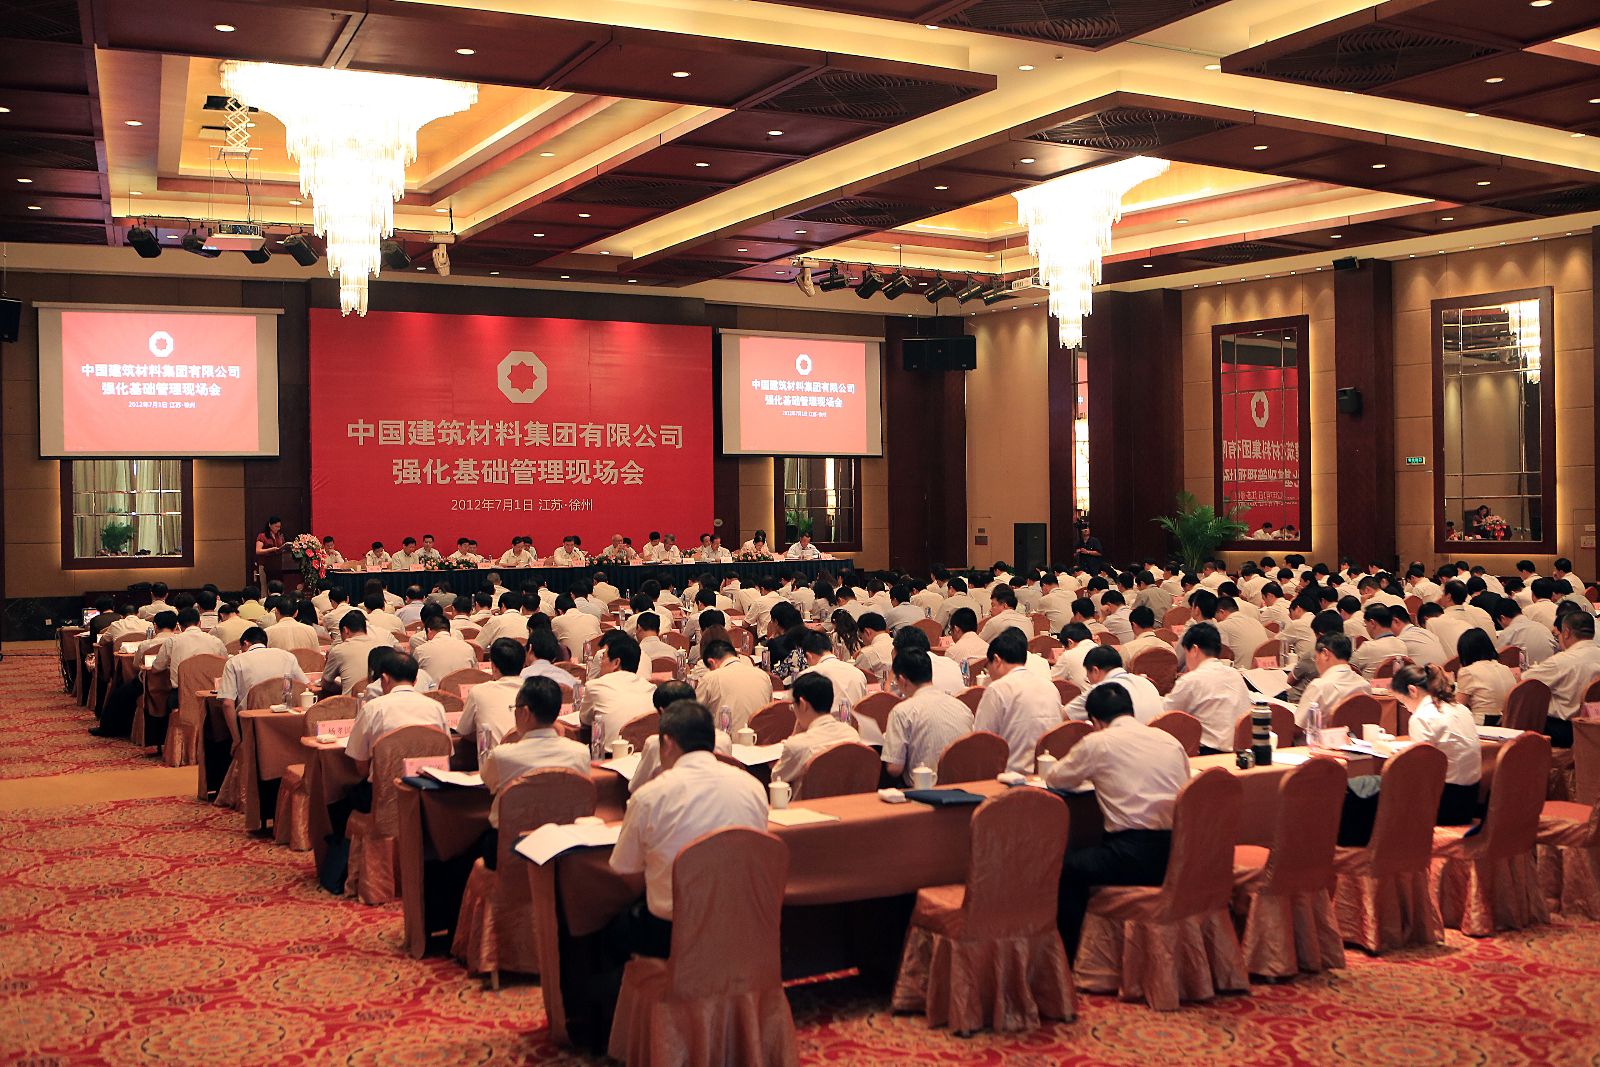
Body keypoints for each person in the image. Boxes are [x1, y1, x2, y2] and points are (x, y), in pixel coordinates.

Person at [602, 700, 767, 1035]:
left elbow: (626, 872)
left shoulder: (650, 796)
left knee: (606, 924)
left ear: (667, 742)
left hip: (672, 931)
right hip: (742, 922)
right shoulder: (752, 786)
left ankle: (621, 1029)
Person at [1048, 683, 1190, 956]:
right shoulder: (1169, 740)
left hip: (1132, 855)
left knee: (1066, 869)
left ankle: (1071, 957)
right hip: (1177, 853)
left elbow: (1056, 778)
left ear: (1095, 721)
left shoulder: (1099, 742)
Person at [479, 676, 592, 834]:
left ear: (525, 713)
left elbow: (487, 783)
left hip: (513, 843)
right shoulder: (581, 753)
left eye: (515, 708)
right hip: (563, 842)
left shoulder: (502, 756)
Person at [1390, 663, 1481, 824]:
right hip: (1471, 798)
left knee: (1384, 790)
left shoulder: (1422, 717)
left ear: (1412, 690)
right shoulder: (1460, 709)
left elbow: (1421, 772)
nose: (1407, 709)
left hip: (1444, 805)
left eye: (1403, 702)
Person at [974, 627, 1062, 773]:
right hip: (1047, 774)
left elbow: (982, 740)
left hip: (1010, 776)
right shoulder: (1050, 687)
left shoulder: (998, 688)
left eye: (988, 667)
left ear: (996, 660)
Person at [880, 649, 974, 783]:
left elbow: (894, 768)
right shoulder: (962, 707)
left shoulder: (902, 711)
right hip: (964, 787)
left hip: (923, 790)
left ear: (902, 680)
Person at [1164, 622, 1249, 753]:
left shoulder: (1191, 680)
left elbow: (1166, 715)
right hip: (1239, 753)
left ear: (1194, 650)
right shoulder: (1235, 675)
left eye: (1186, 653)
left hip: (1207, 754)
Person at [1521, 611, 1600, 747]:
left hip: (1564, 730)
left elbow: (1525, 681)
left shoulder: (1561, 661)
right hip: (1593, 725)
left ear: (1566, 633)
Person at [772, 672, 860, 786]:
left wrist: (794, 736)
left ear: (803, 704)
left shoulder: (797, 746)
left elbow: (776, 779)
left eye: (793, 705)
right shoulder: (852, 735)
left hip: (806, 798)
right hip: (849, 797)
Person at [578, 634, 656, 750]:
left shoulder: (595, 686)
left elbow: (585, 722)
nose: (601, 663)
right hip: (645, 755)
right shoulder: (651, 688)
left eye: (603, 658)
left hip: (610, 756)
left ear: (616, 663)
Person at [217, 626, 308, 715]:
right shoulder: (288, 656)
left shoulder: (234, 661)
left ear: (246, 643)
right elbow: (306, 687)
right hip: (287, 716)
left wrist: (235, 726)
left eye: (241, 648)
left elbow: (227, 704)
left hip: (250, 719)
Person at [457, 637, 529, 749]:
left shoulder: (478, 691)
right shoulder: (535, 692)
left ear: (493, 667)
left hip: (495, 759)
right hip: (532, 757)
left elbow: (463, 731)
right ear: (524, 664)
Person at [1064, 645, 1164, 724]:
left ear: (1095, 670)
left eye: (1087, 675)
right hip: (1158, 739)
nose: (1088, 680)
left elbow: (1063, 716)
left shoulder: (1101, 690)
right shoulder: (1145, 681)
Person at [693, 638, 773, 733]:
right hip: (761, 738)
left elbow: (694, 714)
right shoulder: (763, 675)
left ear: (711, 662)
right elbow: (770, 710)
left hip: (726, 739)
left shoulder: (711, 678)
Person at [1295, 632, 1371, 728]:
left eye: (1316, 657)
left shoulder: (1319, 686)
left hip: (1322, 737)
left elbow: (1298, 726)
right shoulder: (1364, 685)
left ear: (1325, 654)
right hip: (1357, 737)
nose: (1316, 662)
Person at [794, 629, 869, 723]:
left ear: (808, 656)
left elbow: (797, 709)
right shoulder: (858, 673)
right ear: (832, 650)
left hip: (823, 729)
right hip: (855, 729)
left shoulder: (806, 676)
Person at [1454, 628, 1517, 725]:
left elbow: (1457, 708)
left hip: (1482, 725)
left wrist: (1450, 686)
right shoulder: (1505, 669)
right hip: (1507, 724)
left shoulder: (1468, 672)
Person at [319, 611, 389, 695]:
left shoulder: (339, 650)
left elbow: (325, 683)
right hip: (381, 699)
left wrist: (343, 686)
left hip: (351, 701)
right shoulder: (383, 646)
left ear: (345, 630)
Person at [154, 606, 228, 678]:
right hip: (211, 686)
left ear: (179, 626)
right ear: (200, 623)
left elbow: (156, 668)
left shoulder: (172, 642)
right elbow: (225, 664)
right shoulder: (216, 641)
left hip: (181, 686)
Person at [1492, 596, 1558, 667]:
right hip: (1551, 670)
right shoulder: (1543, 627)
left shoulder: (1507, 633)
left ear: (1502, 618)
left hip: (1525, 672)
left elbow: (1497, 661)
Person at [413, 612, 478, 680]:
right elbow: (476, 674)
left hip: (433, 686)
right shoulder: (468, 648)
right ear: (449, 631)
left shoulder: (421, 650)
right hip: (463, 686)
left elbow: (413, 678)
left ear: (429, 631)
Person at [1351, 604, 1408, 679]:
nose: (1366, 627)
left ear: (1372, 623)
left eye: (1365, 624)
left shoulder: (1368, 647)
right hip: (1396, 685)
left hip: (1371, 686)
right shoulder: (1402, 644)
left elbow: (1349, 667)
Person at [551, 593, 603, 662]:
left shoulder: (556, 621)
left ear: (559, 611)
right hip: (594, 662)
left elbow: (553, 644)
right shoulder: (593, 618)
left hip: (571, 664)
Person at [254, 516, 286, 587]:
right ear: (270, 525)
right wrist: (271, 549)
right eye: (276, 526)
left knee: (277, 586)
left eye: (279, 527)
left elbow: (282, 546)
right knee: (265, 587)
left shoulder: (280, 535)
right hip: (265, 564)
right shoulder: (262, 536)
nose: (278, 528)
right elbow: (258, 551)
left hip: (277, 565)